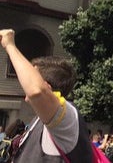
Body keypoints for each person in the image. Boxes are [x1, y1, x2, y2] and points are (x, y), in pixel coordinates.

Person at [0, 29, 95, 162]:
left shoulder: (67, 117)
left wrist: (9, 45)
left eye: (31, 75)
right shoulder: (39, 120)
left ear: (47, 87)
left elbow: (36, 91)